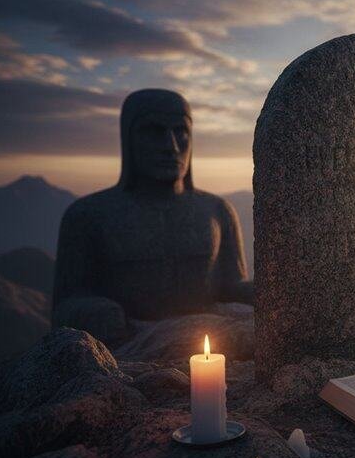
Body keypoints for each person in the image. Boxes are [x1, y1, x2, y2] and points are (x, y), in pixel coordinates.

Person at [52, 89, 253, 345]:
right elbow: (64, 308)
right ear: (129, 139)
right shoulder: (88, 216)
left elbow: (231, 288)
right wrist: (96, 312)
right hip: (132, 344)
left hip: (209, 340)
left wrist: (274, 295)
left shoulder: (217, 211)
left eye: (181, 131)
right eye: (154, 132)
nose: (171, 146)